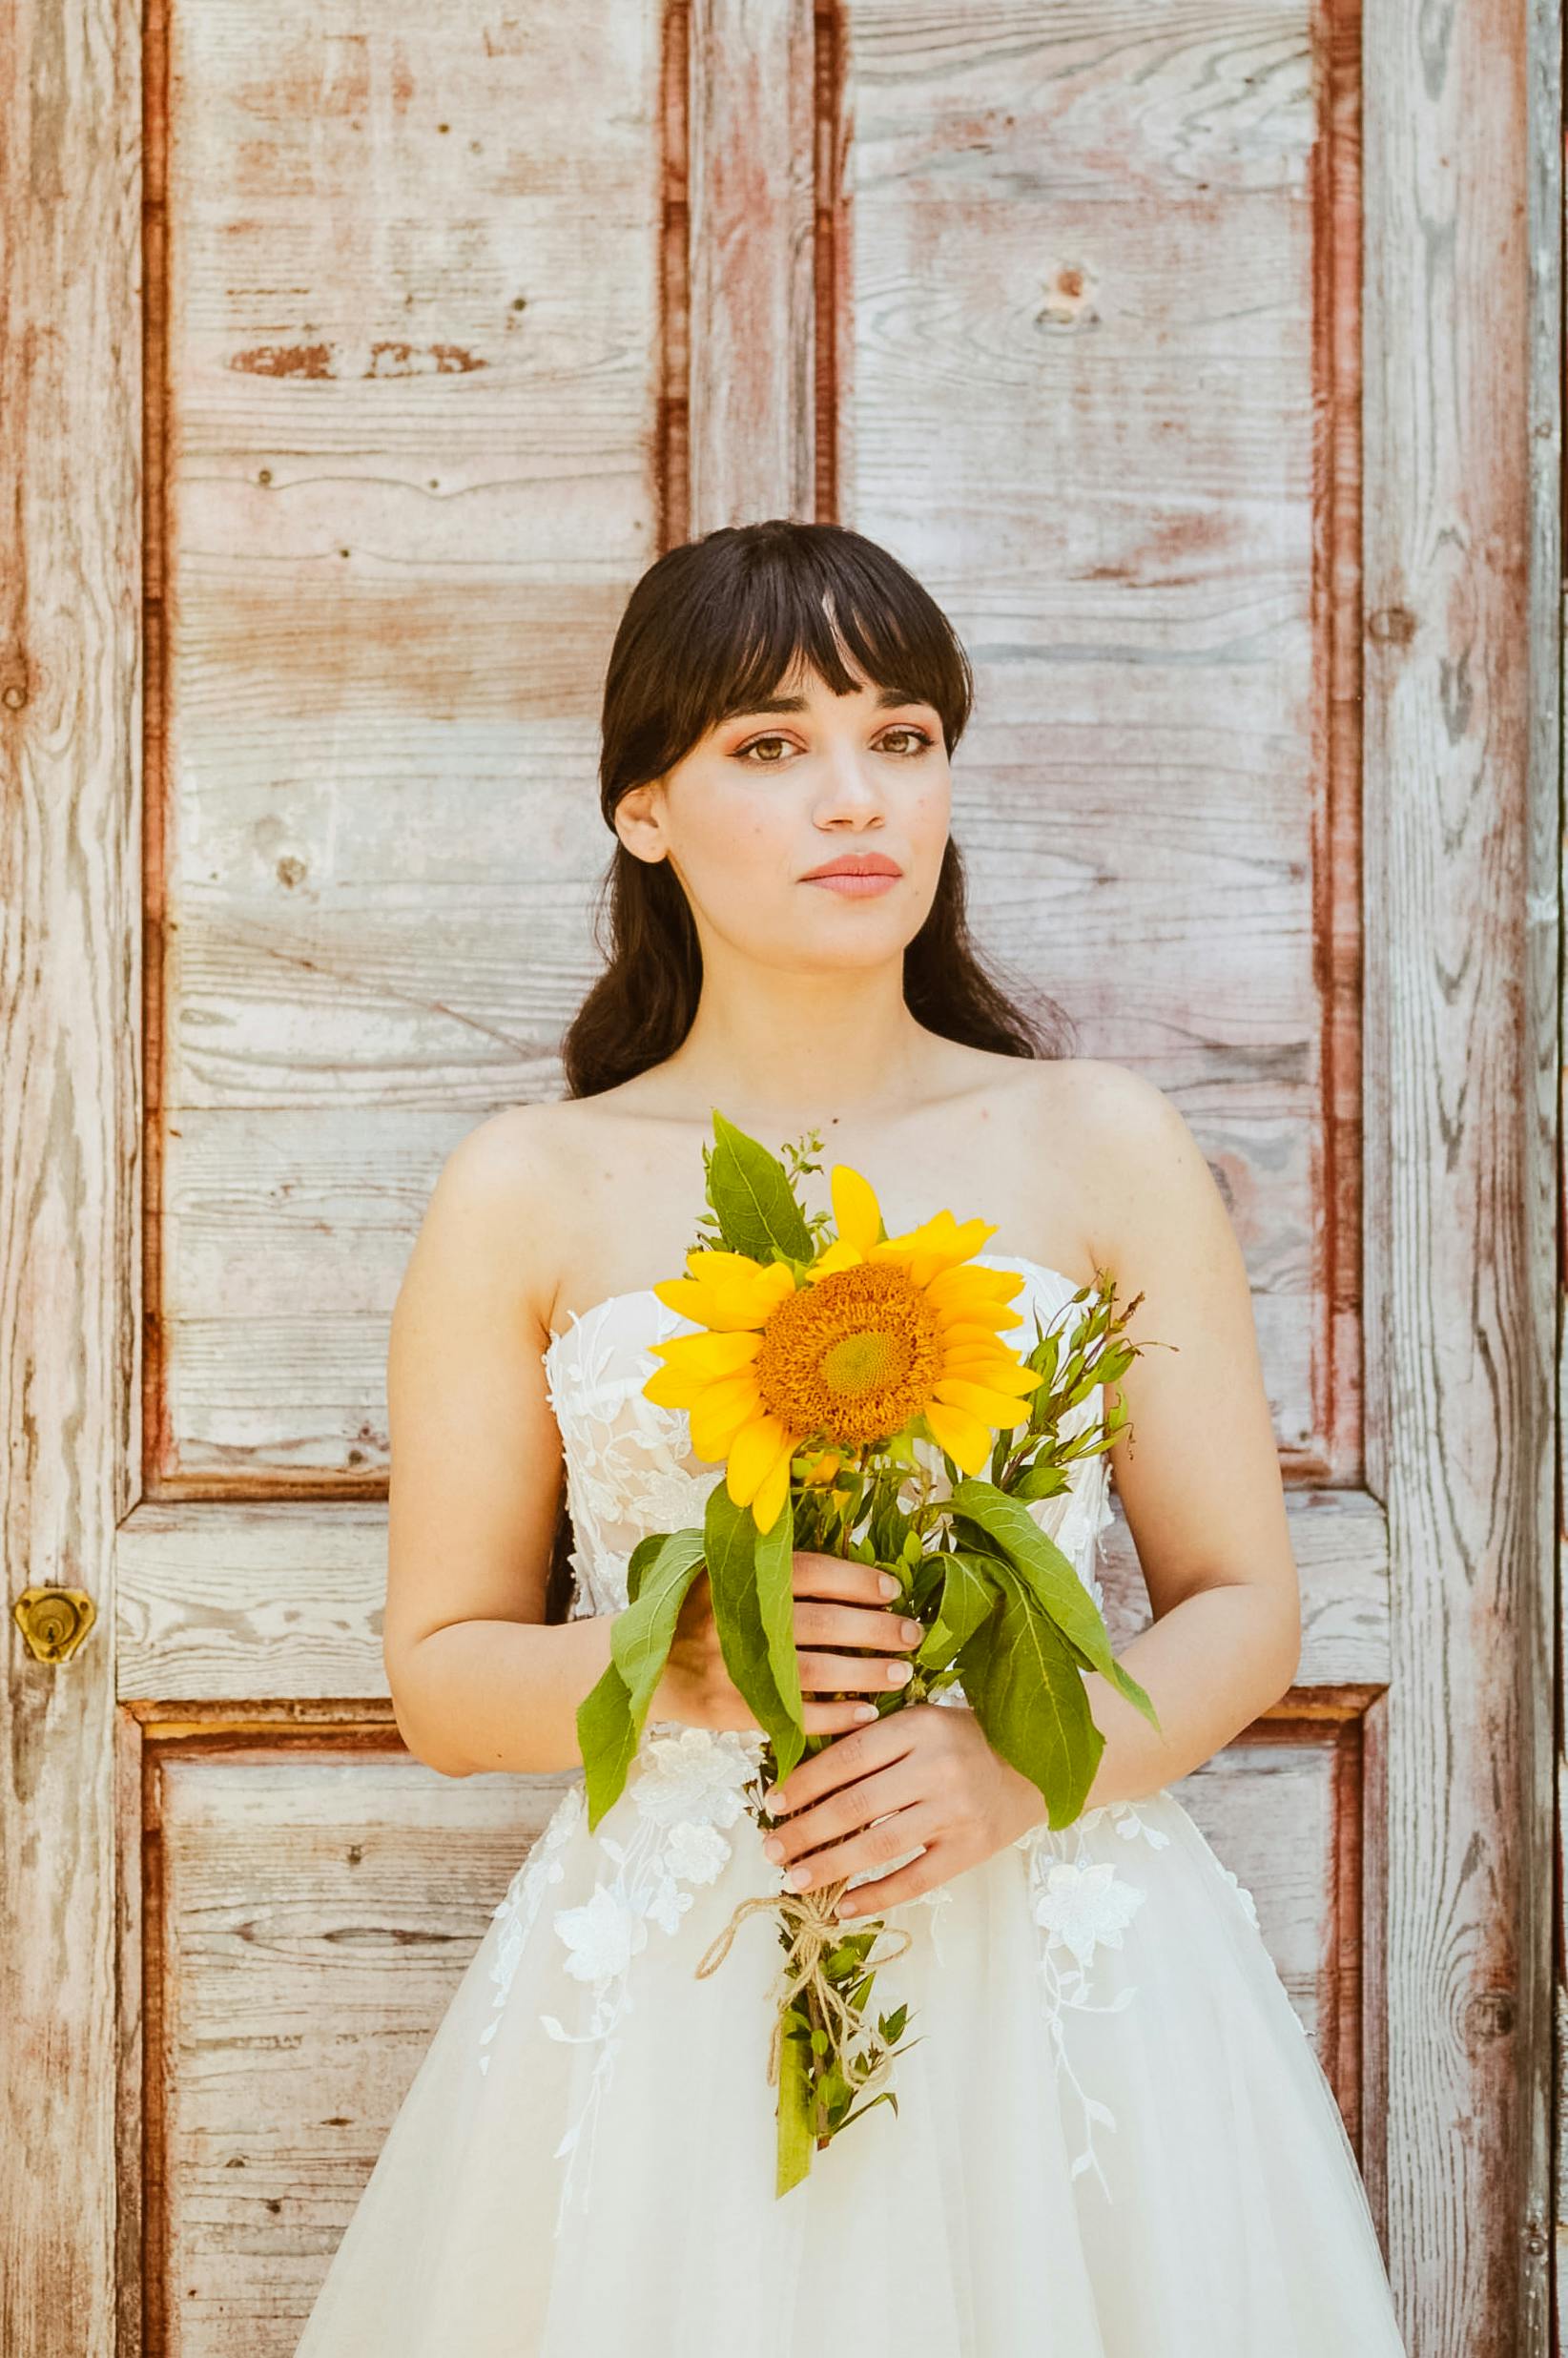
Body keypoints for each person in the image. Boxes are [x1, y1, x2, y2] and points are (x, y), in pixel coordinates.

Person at [292, 519, 1408, 2354]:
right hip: (678, 1977)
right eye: (768, 745)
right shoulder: (530, 1189)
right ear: (641, 808)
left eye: (899, 738)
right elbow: (442, 1679)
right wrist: (684, 1661)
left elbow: (1237, 1605)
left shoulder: (1099, 1144)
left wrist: (1017, 1769)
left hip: (1060, 1957)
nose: (852, 796)